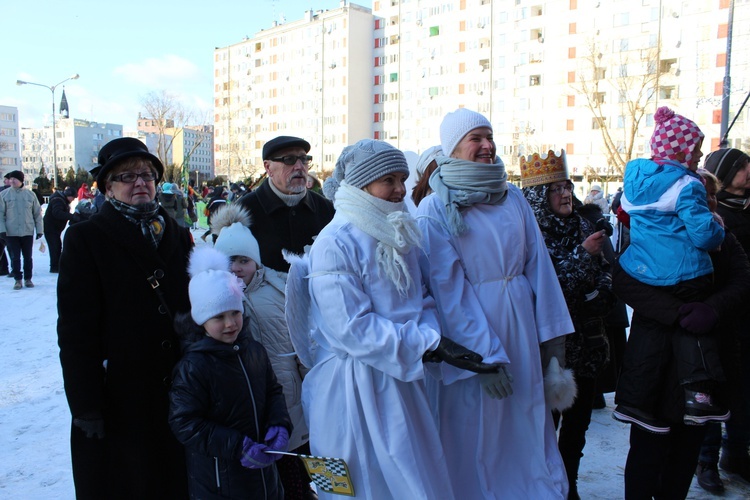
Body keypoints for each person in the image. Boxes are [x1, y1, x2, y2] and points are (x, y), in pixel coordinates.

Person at [296, 138, 495, 499]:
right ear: (361, 183)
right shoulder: (335, 241)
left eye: (402, 178)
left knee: (416, 476)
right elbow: (352, 328)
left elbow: (422, 298)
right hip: (355, 388)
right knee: (362, 482)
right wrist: (429, 344)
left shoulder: (399, 231)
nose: (401, 189)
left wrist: (433, 338)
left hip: (403, 381)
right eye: (388, 179)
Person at [416, 108, 574, 498]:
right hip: (473, 340)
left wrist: (552, 343)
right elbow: (447, 289)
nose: (488, 146)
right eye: (476, 139)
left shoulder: (512, 195)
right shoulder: (435, 208)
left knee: (525, 422)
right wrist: (481, 359)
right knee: (476, 432)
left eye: (490, 136)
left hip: (519, 327)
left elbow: (539, 267)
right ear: (454, 148)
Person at [57, 137, 193, 499]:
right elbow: (75, 330)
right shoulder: (86, 238)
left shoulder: (178, 234)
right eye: (127, 176)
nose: (140, 182)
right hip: (119, 394)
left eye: (148, 174)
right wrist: (85, 405)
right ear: (108, 187)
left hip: (177, 389)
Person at [613, 168, 750, 499]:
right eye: (701, 196)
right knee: (647, 451)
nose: (709, 202)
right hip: (654, 361)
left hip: (703, 362)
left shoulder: (721, 237)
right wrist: (675, 313)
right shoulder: (648, 237)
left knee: (686, 451)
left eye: (712, 196)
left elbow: (742, 278)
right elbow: (623, 280)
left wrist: (712, 309)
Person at [614, 107, 728, 434]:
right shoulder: (687, 185)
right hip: (683, 270)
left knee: (648, 334)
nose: (700, 155)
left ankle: (633, 402)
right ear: (682, 151)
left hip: (643, 270)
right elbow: (703, 234)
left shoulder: (635, 182)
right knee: (693, 331)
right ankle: (700, 395)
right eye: (696, 149)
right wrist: (718, 230)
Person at [521, 150, 615, 500]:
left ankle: (569, 484)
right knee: (546, 427)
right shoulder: (529, 235)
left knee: (578, 427)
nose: (564, 195)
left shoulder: (585, 225)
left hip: (587, 344)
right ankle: (546, 485)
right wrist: (582, 257)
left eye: (567, 186)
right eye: (555, 189)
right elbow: (541, 287)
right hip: (547, 348)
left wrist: (599, 291)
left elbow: (607, 274)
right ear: (538, 196)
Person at [169, 246, 291, 499]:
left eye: (235, 312)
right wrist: (236, 446)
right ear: (202, 320)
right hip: (220, 481)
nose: (230, 323)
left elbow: (272, 391)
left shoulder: (254, 350)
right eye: (218, 317)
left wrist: (279, 423)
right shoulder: (195, 366)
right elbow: (185, 422)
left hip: (264, 476)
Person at [211, 204, 315, 499]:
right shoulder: (214, 299)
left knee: (294, 469)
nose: (236, 268)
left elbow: (302, 340)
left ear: (256, 261)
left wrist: (311, 380)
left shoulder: (280, 289)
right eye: (229, 261)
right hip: (245, 403)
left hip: (288, 394)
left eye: (244, 260)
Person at [697, 148, 750, 490]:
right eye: (743, 167)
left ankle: (737, 454)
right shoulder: (710, 219)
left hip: (746, 316)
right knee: (712, 391)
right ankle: (706, 462)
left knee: (744, 391)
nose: (749, 171)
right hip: (716, 314)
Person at [239, 136, 335, 272]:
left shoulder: (327, 209)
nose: (300, 167)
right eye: (289, 160)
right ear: (268, 167)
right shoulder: (243, 211)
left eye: (304, 159)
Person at [0, 170, 43, 290]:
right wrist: (2, 230)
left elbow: (37, 214)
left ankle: (28, 278)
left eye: (15, 179)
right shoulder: (4, 195)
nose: (12, 181)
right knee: (15, 257)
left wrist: (39, 230)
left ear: (21, 180)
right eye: (11, 178)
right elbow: (0, 214)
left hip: (27, 231)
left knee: (28, 257)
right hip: (11, 232)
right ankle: (17, 279)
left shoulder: (30, 195)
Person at [43, 186, 79, 273]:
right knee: (55, 247)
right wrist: (72, 217)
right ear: (68, 195)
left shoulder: (61, 200)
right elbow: (57, 213)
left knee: (57, 246)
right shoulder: (58, 200)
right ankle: (55, 267)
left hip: (54, 229)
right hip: (51, 228)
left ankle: (56, 266)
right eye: (73, 197)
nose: (73, 199)